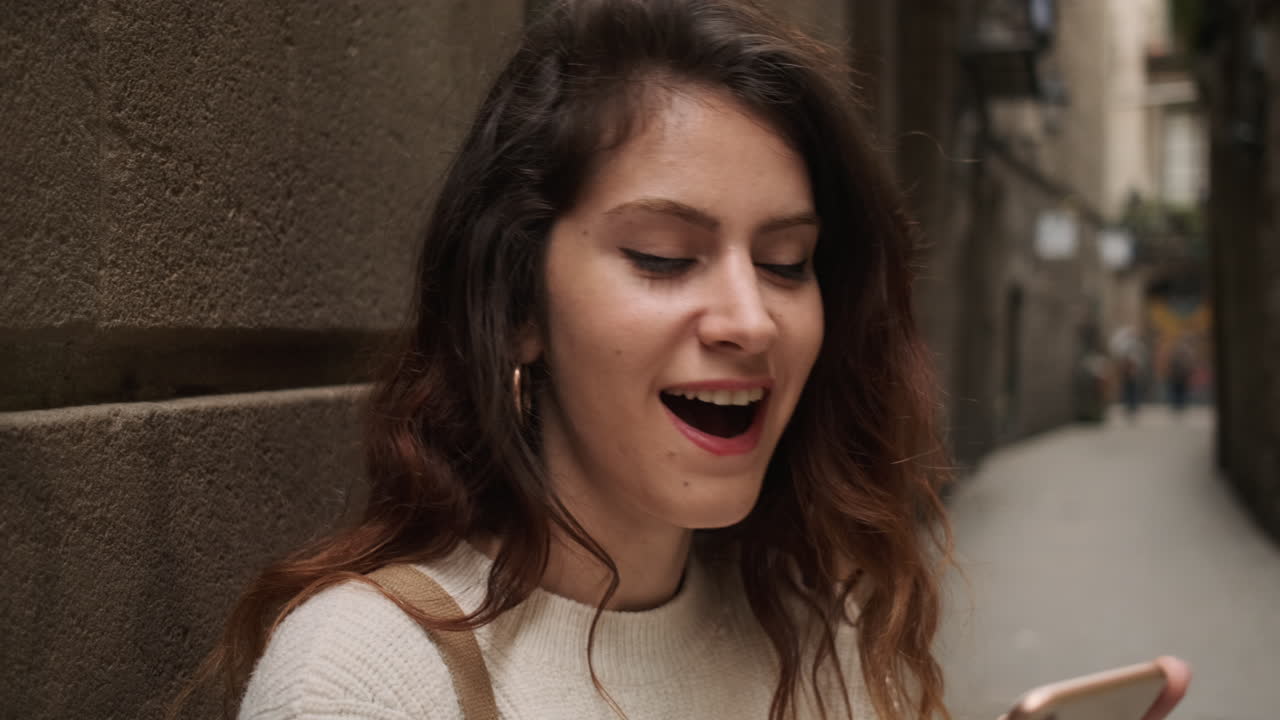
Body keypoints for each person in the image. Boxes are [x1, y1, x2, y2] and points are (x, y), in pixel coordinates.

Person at [182, 1, 1191, 718]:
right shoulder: (368, 680)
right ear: (518, 305)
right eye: (665, 257)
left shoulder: (824, 633)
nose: (749, 318)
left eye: (787, 262)